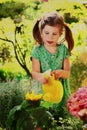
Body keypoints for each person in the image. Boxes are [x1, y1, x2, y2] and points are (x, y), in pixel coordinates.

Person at [31, 11, 74, 118]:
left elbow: (67, 73)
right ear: (41, 32)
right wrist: (41, 77)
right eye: (47, 33)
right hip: (44, 90)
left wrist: (60, 73)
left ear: (60, 34)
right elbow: (34, 72)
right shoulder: (37, 51)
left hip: (61, 91)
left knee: (62, 117)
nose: (50, 37)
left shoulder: (63, 50)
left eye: (54, 34)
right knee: (45, 116)